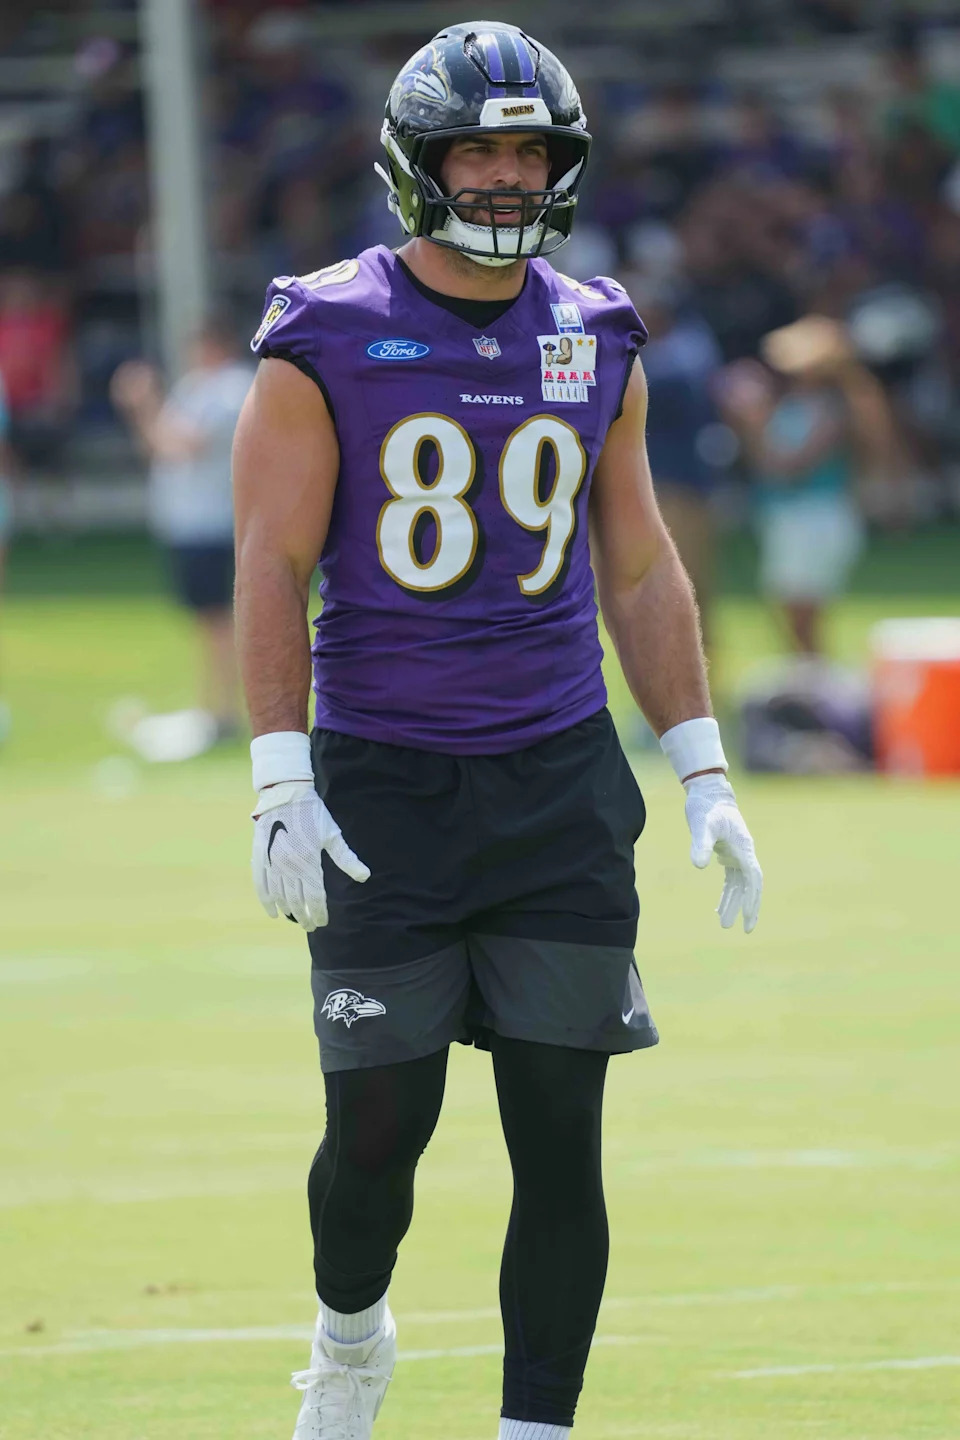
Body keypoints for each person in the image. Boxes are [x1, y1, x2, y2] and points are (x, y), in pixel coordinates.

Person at [232, 22, 764, 1440]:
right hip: (384, 782)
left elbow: (638, 565)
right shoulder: (325, 330)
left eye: (531, 150)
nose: (509, 175)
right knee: (377, 1136)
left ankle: (537, 1428)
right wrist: (280, 772)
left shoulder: (597, 331)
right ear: (419, 162)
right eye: (479, 148)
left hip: (557, 783)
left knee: (561, 1138)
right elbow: (272, 563)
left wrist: (702, 764)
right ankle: (351, 1336)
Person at [111, 317, 253, 740]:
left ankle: (225, 710)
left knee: (218, 619)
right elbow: (158, 447)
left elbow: (184, 446)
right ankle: (213, 705)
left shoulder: (231, 388)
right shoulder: (194, 388)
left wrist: (145, 403)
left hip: (212, 522)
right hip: (189, 524)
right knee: (205, 620)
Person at [718, 315, 877, 655]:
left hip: (816, 518)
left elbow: (788, 467)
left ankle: (813, 677)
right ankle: (808, 674)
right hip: (790, 517)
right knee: (792, 612)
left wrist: (752, 423)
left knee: (802, 615)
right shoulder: (791, 405)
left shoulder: (832, 409)